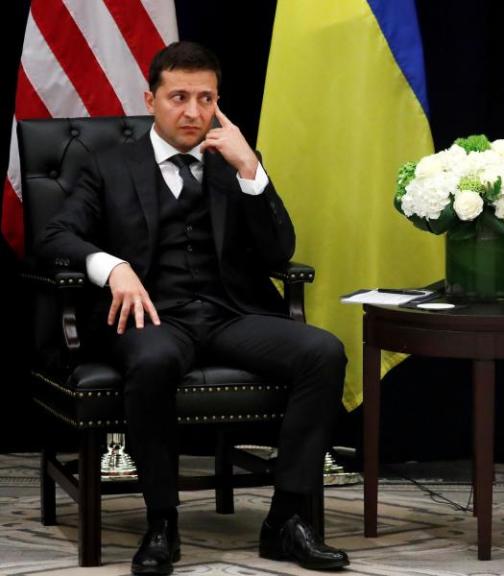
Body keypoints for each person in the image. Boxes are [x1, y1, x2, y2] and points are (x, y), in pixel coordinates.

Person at [36, 42, 349, 574]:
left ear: (218, 102)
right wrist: (110, 266)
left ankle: (287, 519)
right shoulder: (108, 165)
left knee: (324, 351)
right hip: (149, 316)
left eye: (206, 99)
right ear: (151, 100)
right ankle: (162, 522)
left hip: (228, 312)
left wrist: (252, 169)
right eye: (178, 97)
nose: (193, 112)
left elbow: (279, 251)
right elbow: (54, 234)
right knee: (154, 361)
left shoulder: (232, 162)